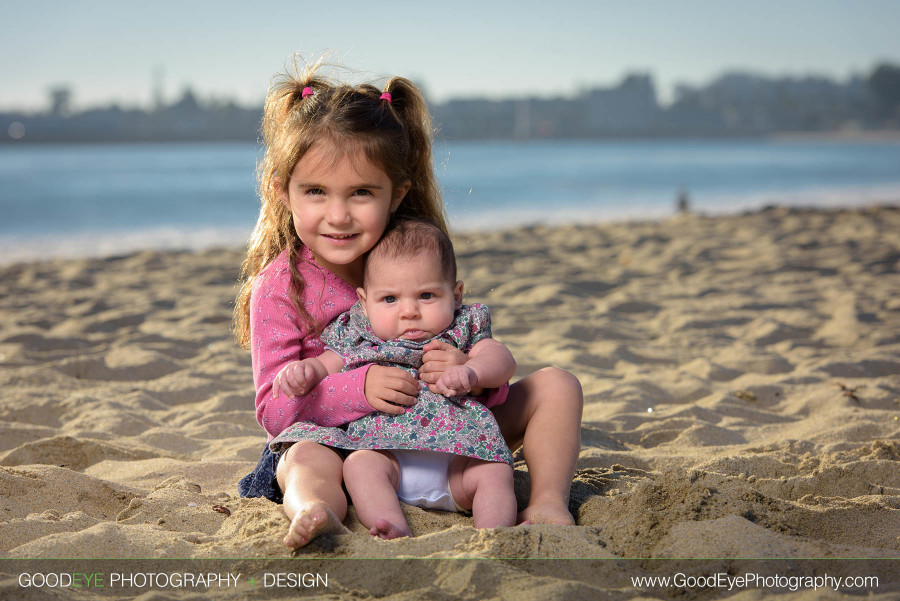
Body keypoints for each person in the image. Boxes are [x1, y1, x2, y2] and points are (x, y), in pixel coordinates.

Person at [233, 57, 584, 549]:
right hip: (348, 447)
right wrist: (361, 387)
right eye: (315, 191)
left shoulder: (410, 253)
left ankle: (546, 502)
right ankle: (318, 512)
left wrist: (466, 370)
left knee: (558, 386)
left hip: (451, 431)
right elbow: (275, 412)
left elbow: (472, 344)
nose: (338, 215)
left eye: (360, 193)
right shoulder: (280, 288)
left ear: (395, 194)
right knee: (303, 459)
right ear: (282, 192)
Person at [269, 218, 517, 539]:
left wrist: (471, 369)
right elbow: (329, 362)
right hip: (389, 459)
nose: (409, 311)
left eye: (426, 295)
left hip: (460, 458)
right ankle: (392, 527)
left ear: (456, 295)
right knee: (359, 465)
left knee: (495, 472)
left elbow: (501, 359)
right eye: (390, 299)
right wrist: (307, 372)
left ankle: (496, 535)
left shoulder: (462, 328)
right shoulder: (360, 335)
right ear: (364, 301)